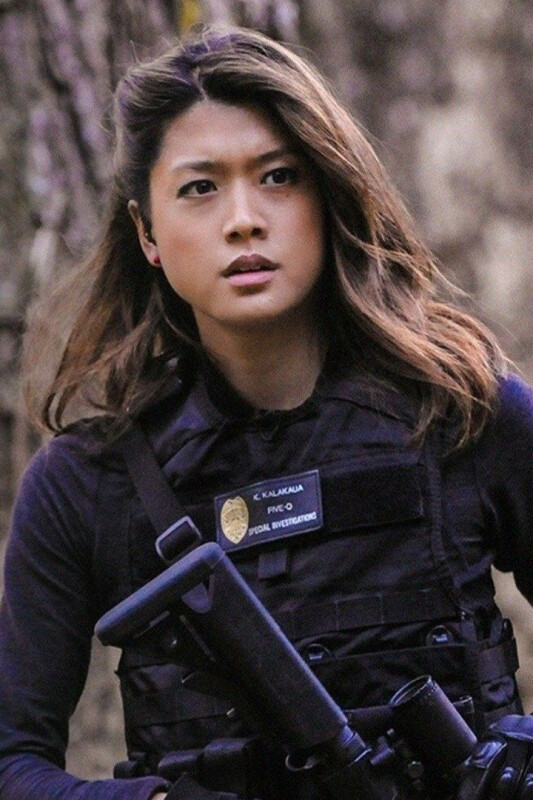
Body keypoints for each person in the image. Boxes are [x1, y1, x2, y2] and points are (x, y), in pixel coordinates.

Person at [1, 22, 533, 800]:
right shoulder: (85, 483)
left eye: (279, 177)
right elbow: (12, 762)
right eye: (200, 187)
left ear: (328, 195)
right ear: (147, 233)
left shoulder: (464, 413)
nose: (243, 218)